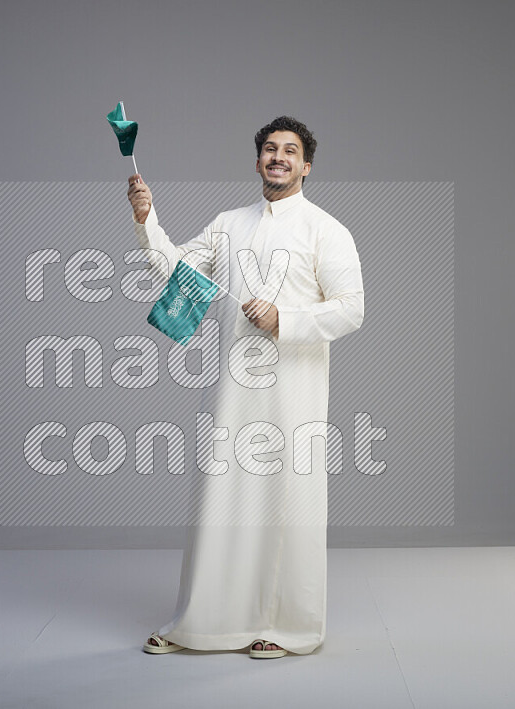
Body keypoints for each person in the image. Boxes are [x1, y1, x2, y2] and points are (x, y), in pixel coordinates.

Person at [127, 116, 364, 659]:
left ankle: (286, 627)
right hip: (232, 387)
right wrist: (147, 220)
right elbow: (175, 271)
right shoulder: (229, 223)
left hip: (293, 390)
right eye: (269, 149)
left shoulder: (326, 230)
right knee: (222, 498)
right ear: (257, 160)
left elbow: (353, 309)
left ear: (307, 166)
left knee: (287, 499)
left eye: (290, 151)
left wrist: (286, 317)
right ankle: (201, 622)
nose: (278, 157)